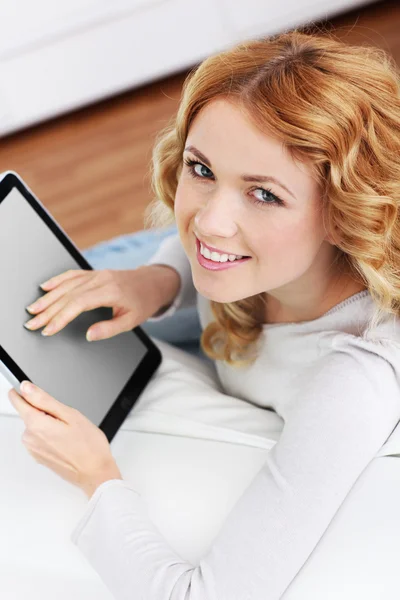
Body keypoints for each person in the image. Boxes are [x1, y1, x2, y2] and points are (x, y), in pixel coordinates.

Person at [22, 29, 400, 598]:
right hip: (233, 305)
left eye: (264, 194)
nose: (209, 221)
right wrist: (158, 280)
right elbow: (200, 235)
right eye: (202, 170)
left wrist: (96, 478)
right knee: (84, 273)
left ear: (347, 213)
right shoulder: (264, 252)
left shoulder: (354, 381)